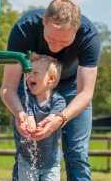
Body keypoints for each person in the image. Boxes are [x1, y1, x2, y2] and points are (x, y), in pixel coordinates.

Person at [0, 0, 101, 181]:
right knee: (25, 152)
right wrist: (20, 113)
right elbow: (8, 87)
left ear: (76, 30)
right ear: (44, 20)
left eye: (63, 42)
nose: (54, 47)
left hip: (72, 88)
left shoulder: (89, 36)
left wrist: (61, 118)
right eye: (51, 38)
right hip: (32, 86)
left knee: (77, 152)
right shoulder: (25, 28)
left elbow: (86, 92)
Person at [18, 52, 65, 181]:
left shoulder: (58, 101)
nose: (29, 76)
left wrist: (39, 127)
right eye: (28, 73)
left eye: (35, 73)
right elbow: (30, 119)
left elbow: (51, 120)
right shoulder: (26, 99)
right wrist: (31, 127)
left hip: (51, 163)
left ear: (51, 79)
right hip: (27, 160)